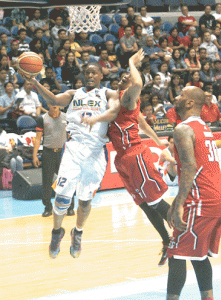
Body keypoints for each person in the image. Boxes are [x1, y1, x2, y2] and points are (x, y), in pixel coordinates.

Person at [21, 62, 120, 259]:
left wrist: (97, 119)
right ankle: (57, 232)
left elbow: (114, 112)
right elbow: (54, 99)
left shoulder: (109, 94)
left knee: (84, 200)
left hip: (95, 152)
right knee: (62, 196)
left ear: (101, 75)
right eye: (87, 72)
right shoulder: (74, 94)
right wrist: (36, 83)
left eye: (94, 72)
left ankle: (78, 232)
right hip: (73, 149)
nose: (90, 75)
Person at [82, 49, 172, 266]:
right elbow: (141, 122)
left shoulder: (129, 96)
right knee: (144, 204)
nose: (125, 75)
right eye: (123, 74)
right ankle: (167, 241)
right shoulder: (116, 100)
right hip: (123, 160)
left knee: (156, 202)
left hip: (135, 155)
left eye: (128, 75)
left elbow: (139, 85)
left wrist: (132, 62)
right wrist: (158, 140)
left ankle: (186, 230)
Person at [166, 86, 221, 300]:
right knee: (198, 255)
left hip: (202, 199)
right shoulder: (203, 126)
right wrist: (177, 201)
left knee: (175, 253)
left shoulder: (182, 129)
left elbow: (190, 167)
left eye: (181, 94)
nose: (176, 96)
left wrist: (180, 205)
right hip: (219, 196)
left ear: (189, 103)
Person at [33, 104, 75, 217]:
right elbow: (38, 139)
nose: (55, 107)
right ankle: (47, 207)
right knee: (47, 181)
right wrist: (34, 155)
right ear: (49, 106)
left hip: (63, 153)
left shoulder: (67, 118)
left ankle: (70, 206)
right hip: (48, 152)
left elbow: (71, 136)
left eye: (57, 105)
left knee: (66, 180)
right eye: (53, 105)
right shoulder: (42, 118)